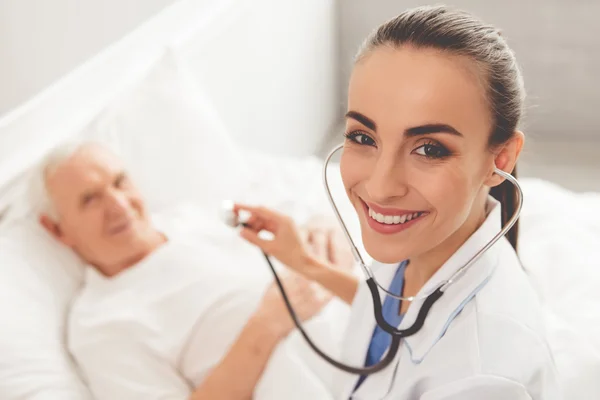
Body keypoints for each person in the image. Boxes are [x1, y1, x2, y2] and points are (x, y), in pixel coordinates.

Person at [235, 5, 562, 399]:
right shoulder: (427, 244)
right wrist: (304, 264)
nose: (380, 187)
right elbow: (398, 314)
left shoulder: (483, 380)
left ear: (501, 160)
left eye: (429, 148)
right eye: (363, 137)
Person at [36, 141, 353, 400]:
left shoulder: (190, 219)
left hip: (362, 321)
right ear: (57, 230)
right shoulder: (100, 324)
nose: (119, 205)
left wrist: (323, 229)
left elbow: (306, 225)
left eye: (120, 182)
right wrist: (267, 324)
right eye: (90, 199)